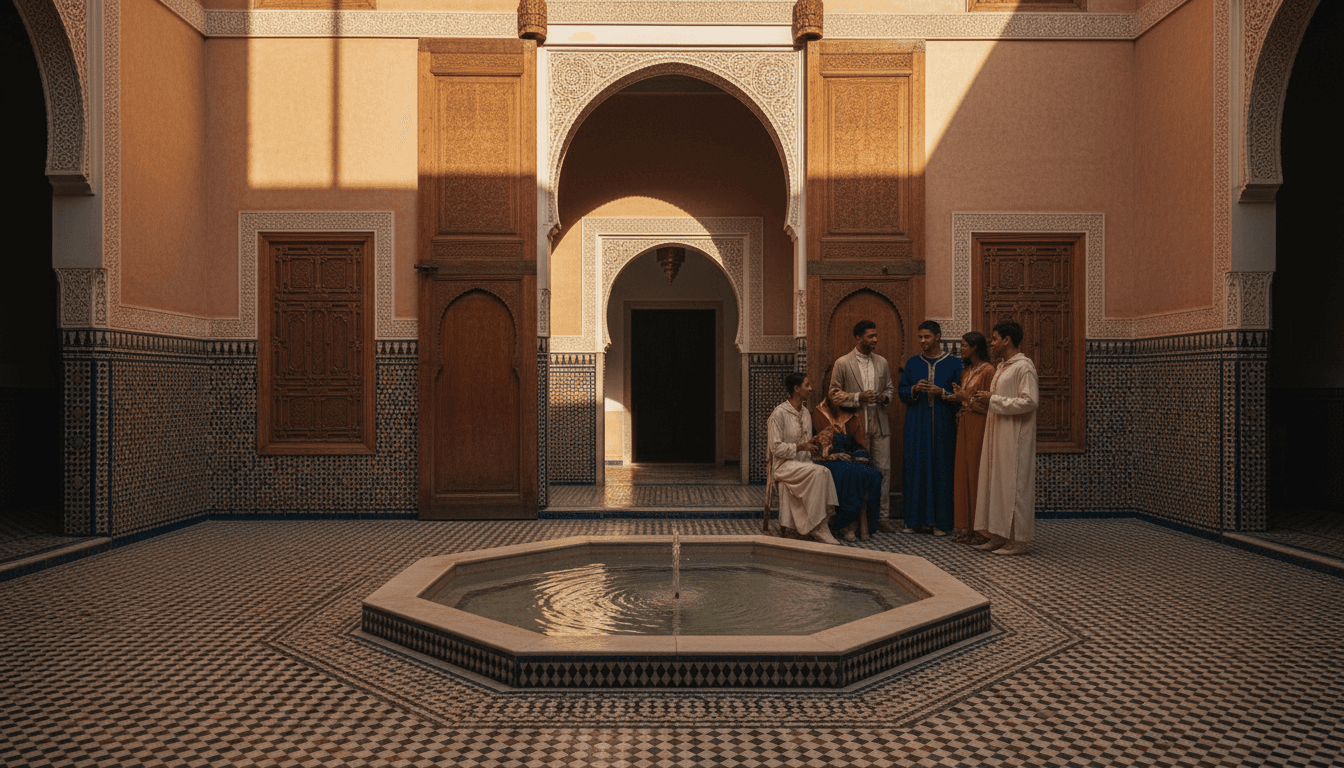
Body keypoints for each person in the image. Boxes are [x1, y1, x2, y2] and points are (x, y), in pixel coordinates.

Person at [972, 320, 1039, 556]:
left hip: (1015, 438)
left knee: (1015, 486)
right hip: (998, 434)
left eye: (994, 339)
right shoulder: (1002, 367)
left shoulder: (1024, 367)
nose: (991, 344)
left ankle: (1017, 540)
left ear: (1007, 340)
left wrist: (993, 400)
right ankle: (999, 535)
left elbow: (1030, 401)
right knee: (998, 484)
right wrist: (988, 399)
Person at [827, 320, 897, 533]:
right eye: (870, 336)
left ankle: (882, 517)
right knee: (857, 472)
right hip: (855, 427)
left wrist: (884, 397)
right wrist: (859, 397)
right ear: (858, 338)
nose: (875, 339)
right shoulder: (843, 363)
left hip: (880, 424)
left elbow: (890, 388)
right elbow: (834, 394)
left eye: (876, 335)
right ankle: (855, 519)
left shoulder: (882, 362)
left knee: (883, 470)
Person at [897, 320, 963, 535]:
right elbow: (902, 392)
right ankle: (914, 520)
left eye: (927, 336)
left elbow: (961, 395)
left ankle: (941, 523)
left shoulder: (953, 364)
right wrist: (915, 388)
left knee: (942, 468)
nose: (922, 341)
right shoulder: (912, 363)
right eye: (920, 337)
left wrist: (941, 392)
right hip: (916, 423)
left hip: (943, 423)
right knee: (916, 467)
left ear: (938, 337)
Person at [767, 371, 841, 545]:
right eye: (807, 385)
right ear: (796, 388)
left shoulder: (806, 413)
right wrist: (800, 447)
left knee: (823, 471)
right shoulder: (779, 414)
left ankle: (819, 524)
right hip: (783, 466)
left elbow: (807, 444)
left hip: (802, 465)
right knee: (821, 473)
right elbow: (775, 448)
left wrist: (819, 446)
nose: (810, 388)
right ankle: (818, 527)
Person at [814, 365, 884, 542]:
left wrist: (858, 457)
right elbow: (818, 446)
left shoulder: (853, 416)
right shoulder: (819, 413)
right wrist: (834, 455)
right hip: (827, 460)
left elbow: (860, 445)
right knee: (848, 474)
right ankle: (844, 524)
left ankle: (865, 523)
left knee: (873, 474)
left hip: (850, 460)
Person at [948, 331, 994, 545]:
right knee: (963, 474)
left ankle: (982, 530)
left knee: (976, 474)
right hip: (965, 424)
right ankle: (967, 527)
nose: (962, 348)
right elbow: (966, 398)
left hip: (979, 424)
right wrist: (959, 397)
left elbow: (991, 404)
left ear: (975, 347)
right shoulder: (966, 371)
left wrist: (966, 398)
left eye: (965, 345)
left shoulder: (988, 371)